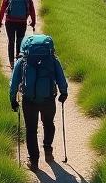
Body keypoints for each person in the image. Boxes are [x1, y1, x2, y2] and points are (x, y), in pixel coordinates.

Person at [9, 34, 69, 167]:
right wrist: (63, 93)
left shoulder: (22, 60)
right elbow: (61, 79)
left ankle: (34, 160)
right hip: (48, 99)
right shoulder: (52, 59)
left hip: (29, 100)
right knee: (48, 123)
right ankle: (48, 150)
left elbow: (13, 84)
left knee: (31, 130)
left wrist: (13, 100)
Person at [0, 0, 36, 67]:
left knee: (11, 41)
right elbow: (32, 11)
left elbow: (2, 9)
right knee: (20, 41)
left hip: (10, 22)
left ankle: (11, 63)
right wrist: (33, 23)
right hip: (22, 22)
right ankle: (18, 62)